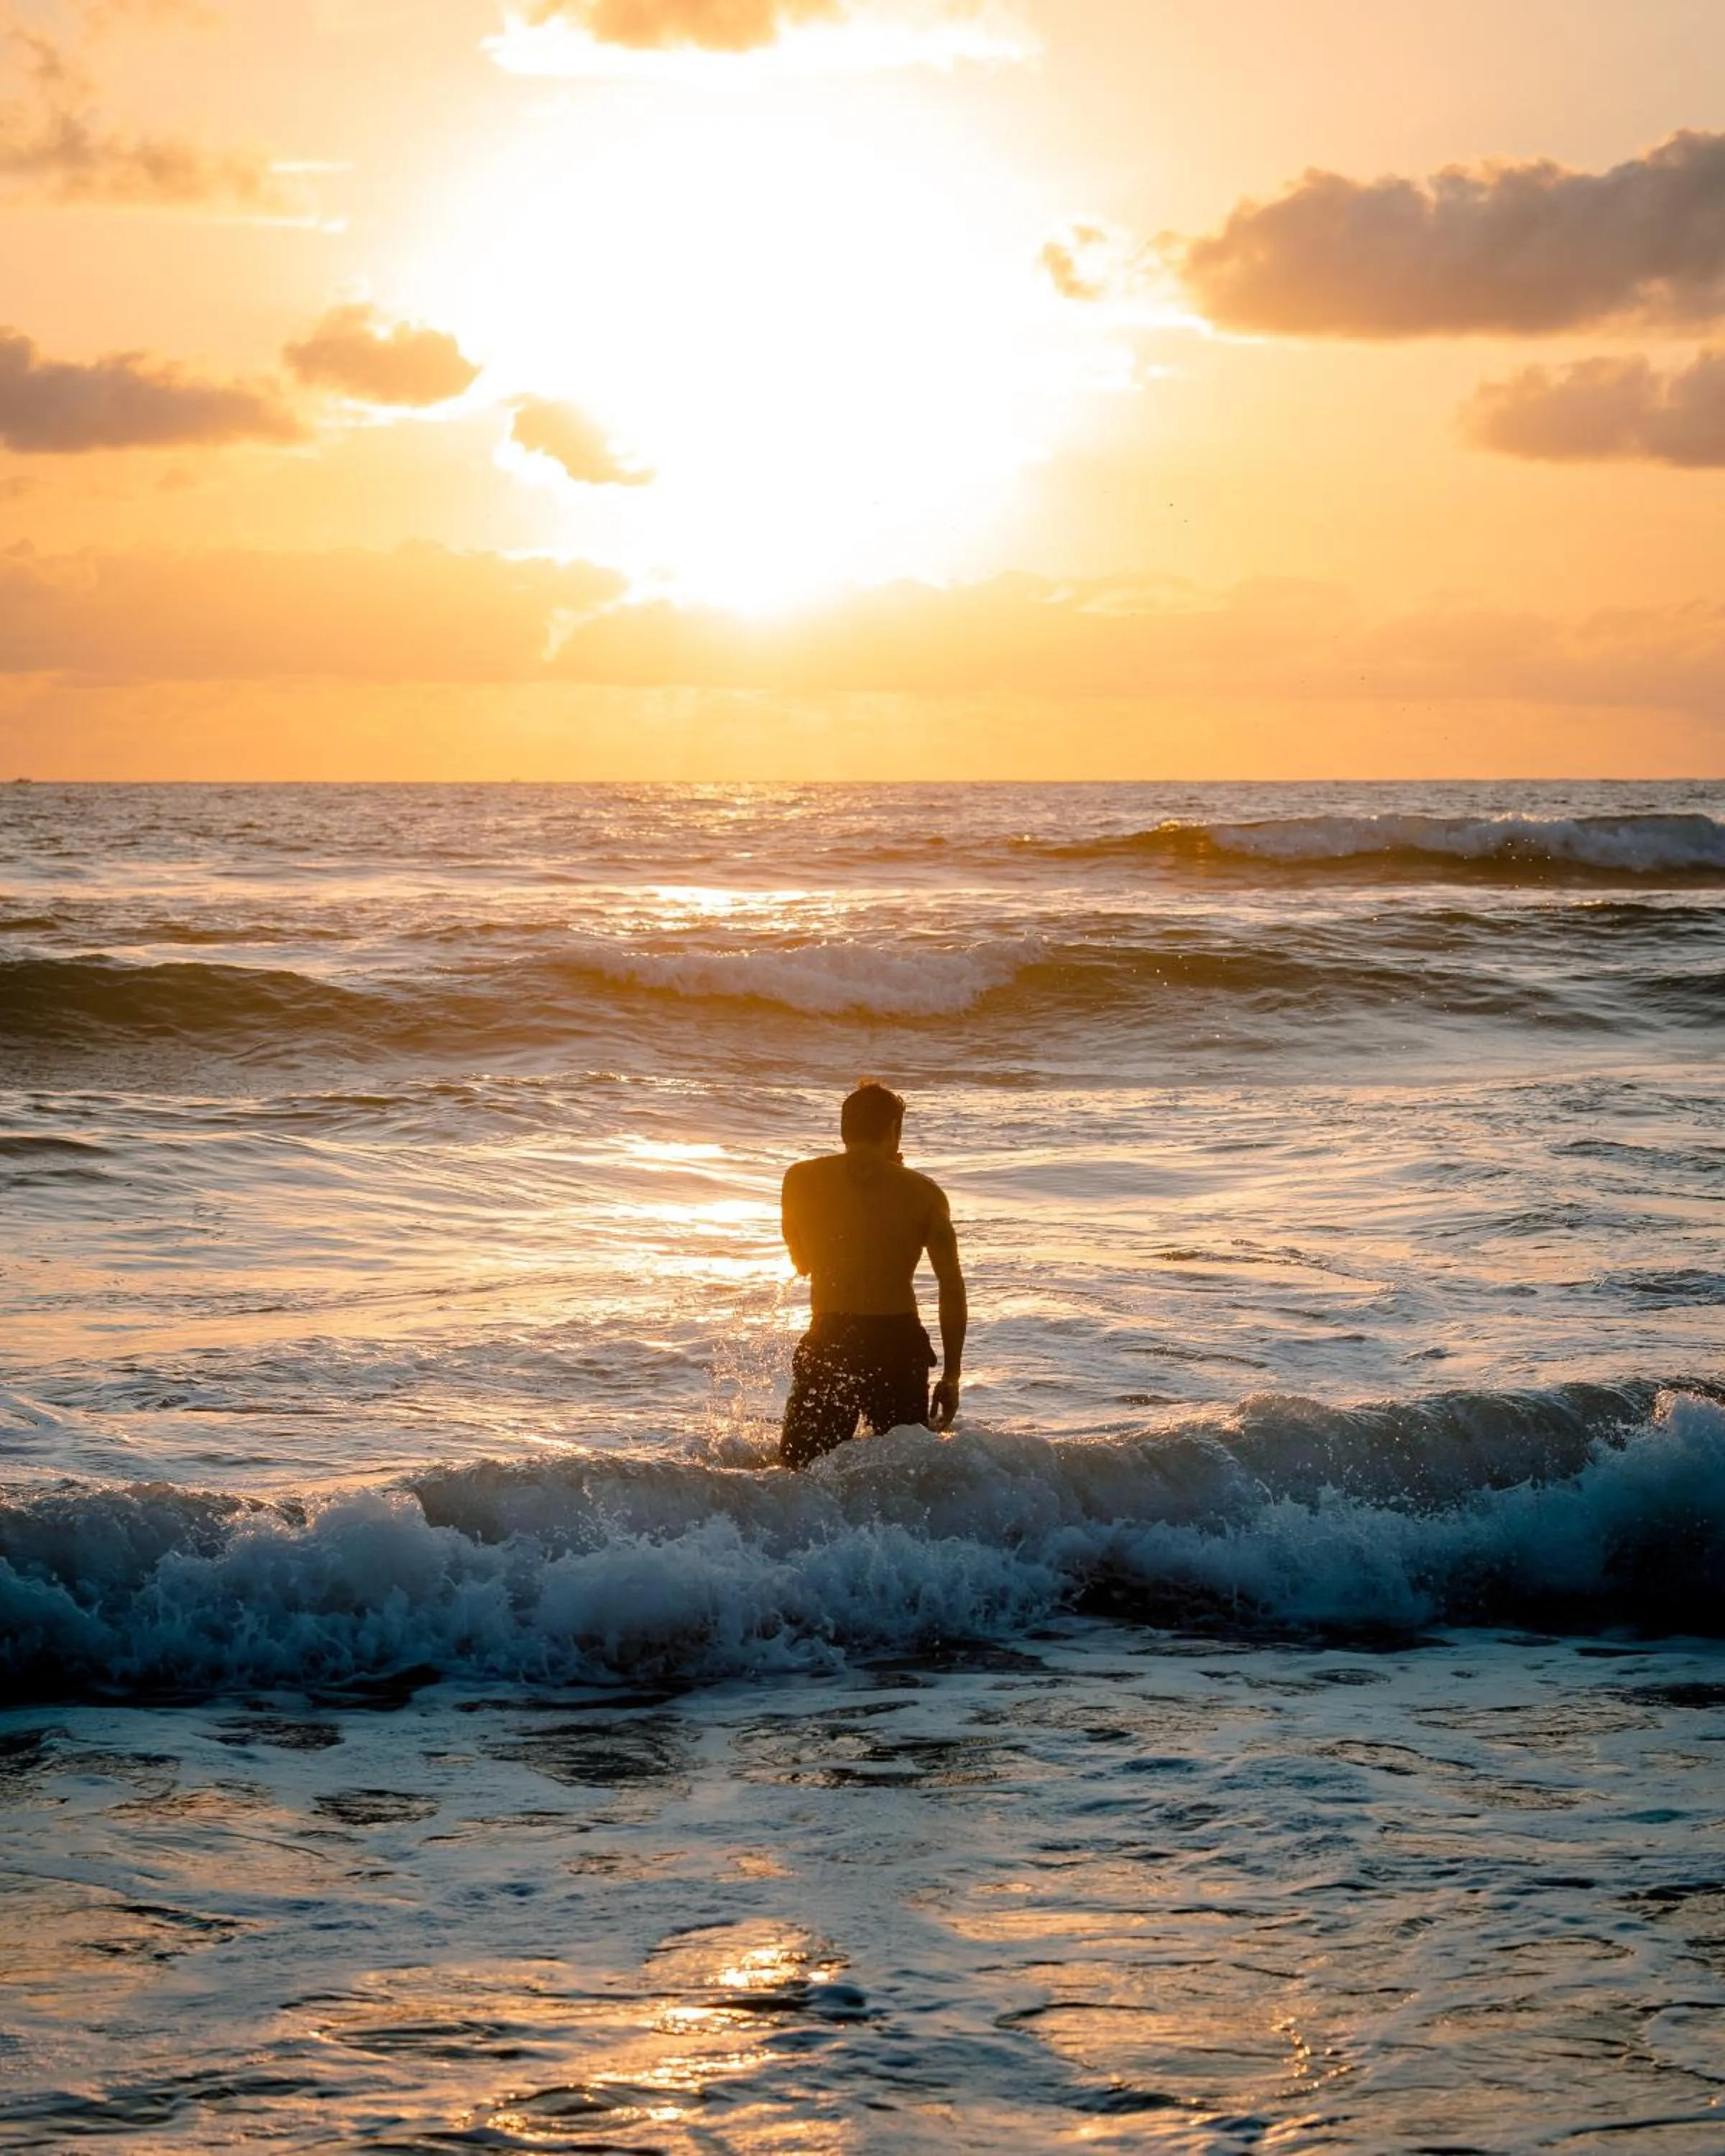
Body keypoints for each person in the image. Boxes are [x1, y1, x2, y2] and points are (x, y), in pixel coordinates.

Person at [778, 1079, 967, 1470]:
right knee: (903, 1474)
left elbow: (803, 1264)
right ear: (894, 1130)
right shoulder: (925, 1193)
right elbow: (951, 1287)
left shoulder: (798, 1180)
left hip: (831, 1340)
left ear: (843, 1129)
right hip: (897, 1345)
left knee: (799, 1471)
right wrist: (951, 1375)